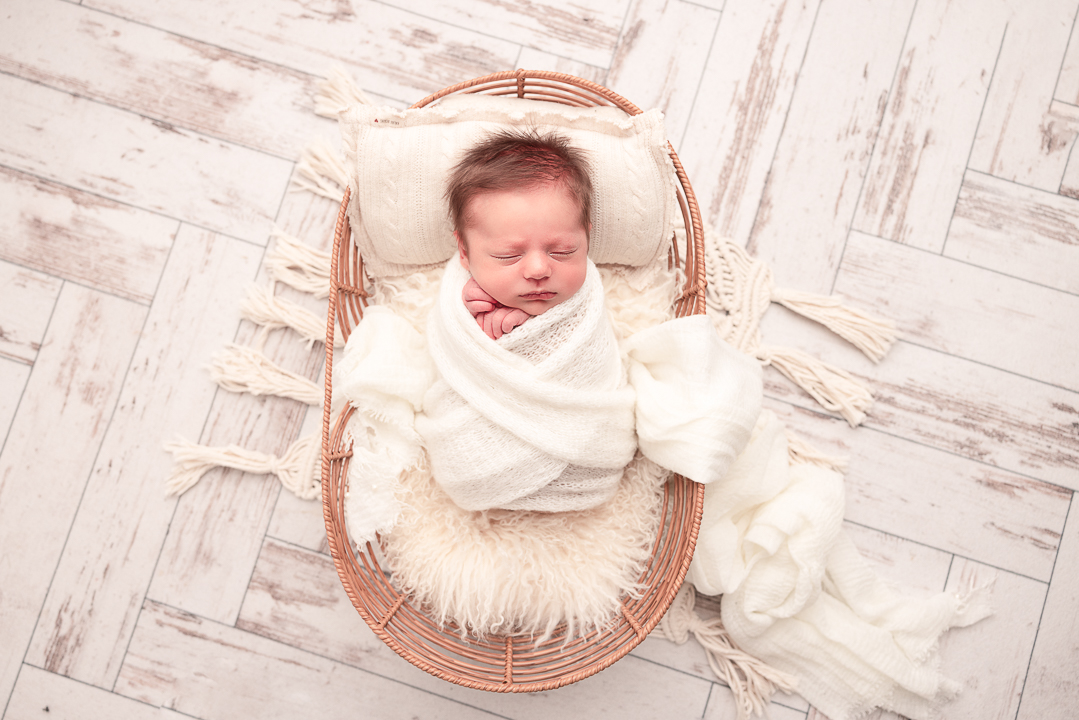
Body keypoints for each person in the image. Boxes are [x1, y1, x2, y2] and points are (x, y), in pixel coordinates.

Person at [446, 128, 592, 339]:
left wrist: (533, 326)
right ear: (464, 253)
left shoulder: (590, 292)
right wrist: (468, 311)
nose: (538, 270)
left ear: (586, 240)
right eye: (508, 256)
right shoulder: (464, 291)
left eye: (562, 251)